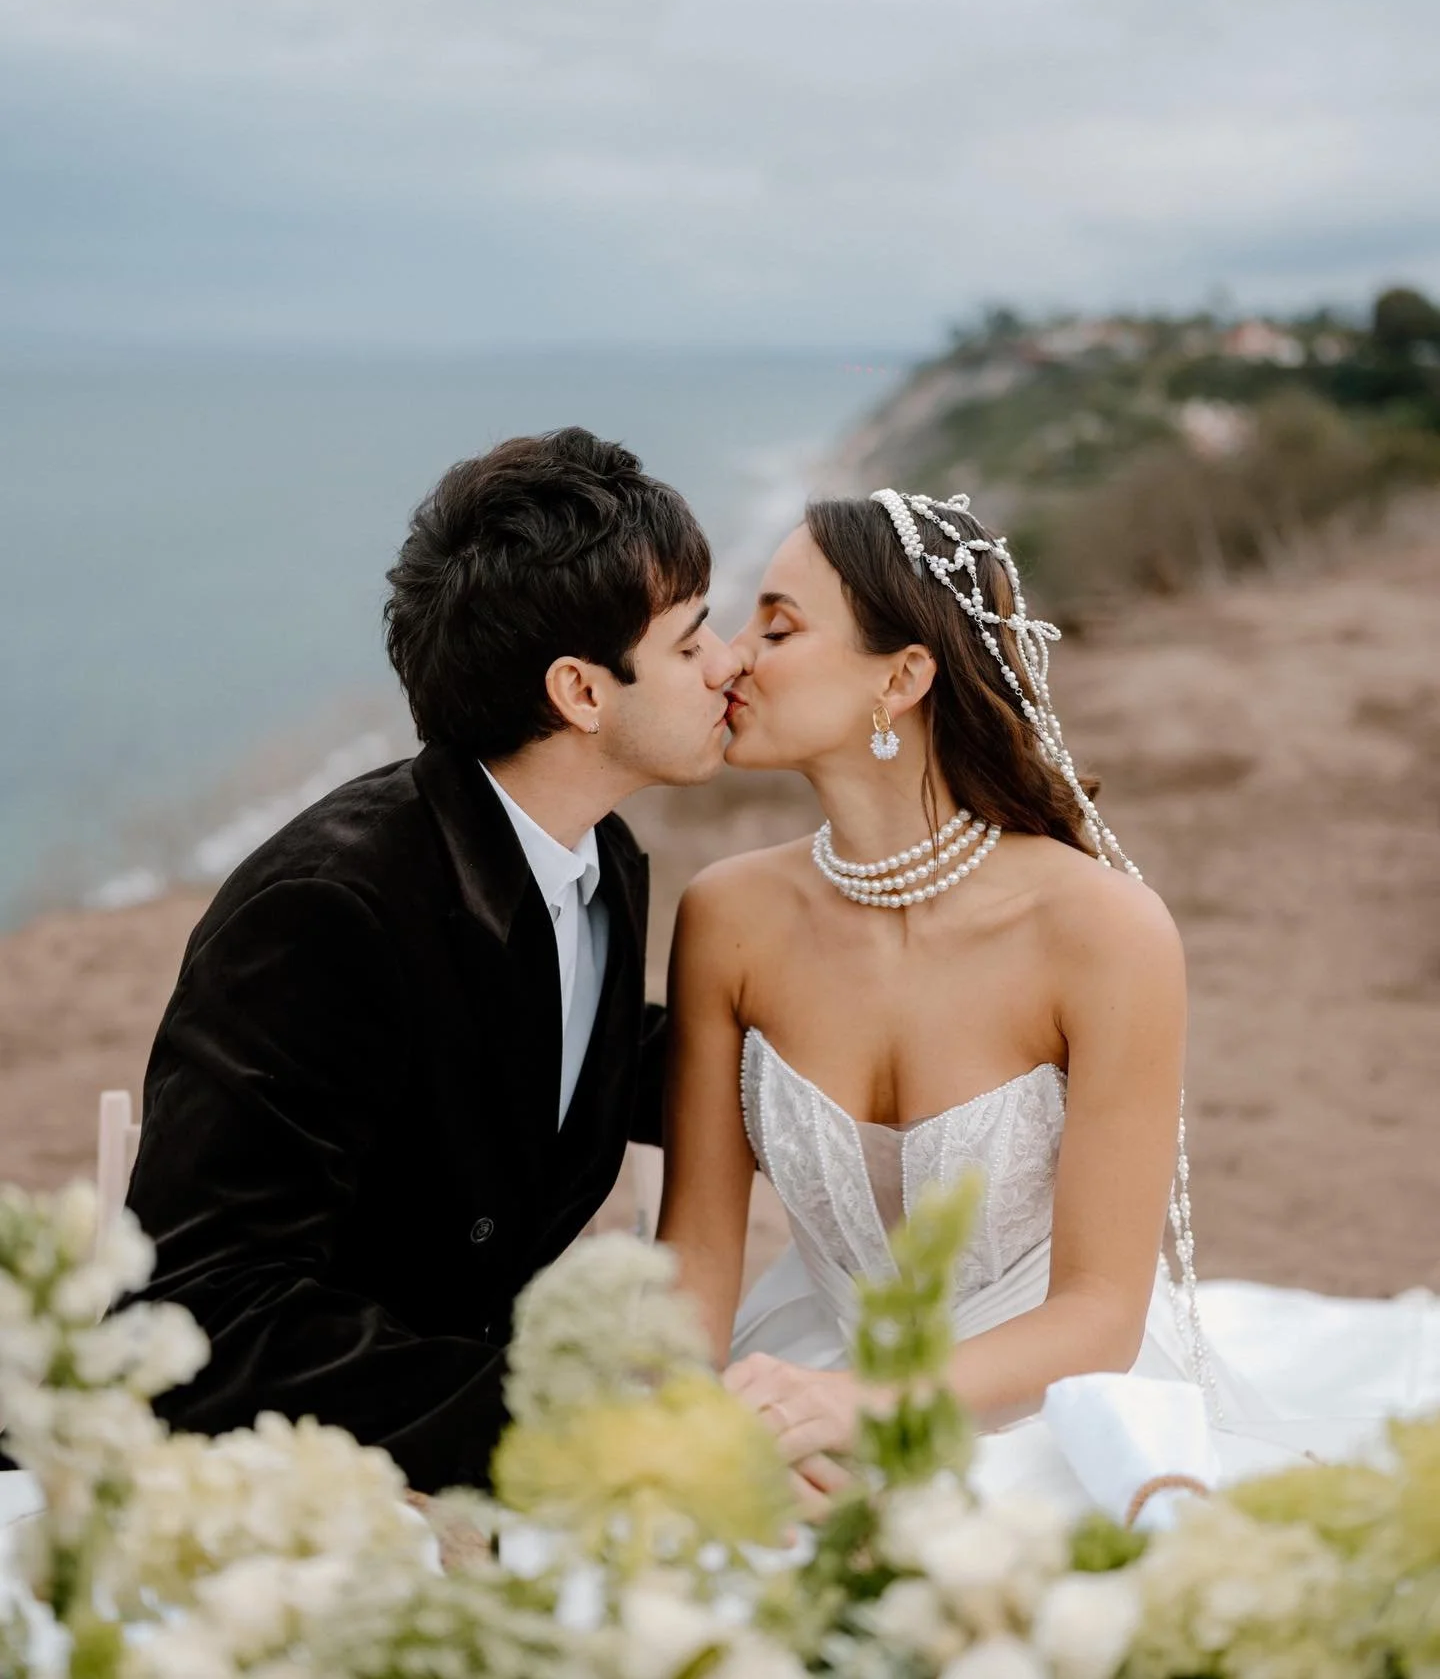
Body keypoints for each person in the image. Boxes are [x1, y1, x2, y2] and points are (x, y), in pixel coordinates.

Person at [658, 488, 1437, 1508]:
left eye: (779, 626)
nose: (732, 656)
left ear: (902, 677)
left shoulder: (1106, 932)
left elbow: (1102, 1310)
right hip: (803, 1375)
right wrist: (687, 1427)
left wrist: (862, 1405)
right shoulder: (727, 916)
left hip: (1055, 1405)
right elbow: (698, 1256)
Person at [125, 428, 740, 1493]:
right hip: (304, 1486)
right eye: (691, 644)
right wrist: (570, 1432)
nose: (729, 664)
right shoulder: (330, 911)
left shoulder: (598, 855)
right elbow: (209, 1310)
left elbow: (558, 1059)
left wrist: (844, 1056)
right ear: (581, 694)